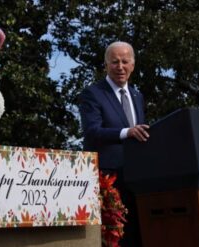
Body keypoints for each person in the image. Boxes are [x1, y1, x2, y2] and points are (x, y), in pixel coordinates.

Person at [78, 41, 149, 247]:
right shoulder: (92, 94)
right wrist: (128, 132)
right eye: (115, 62)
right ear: (106, 65)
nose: (120, 67)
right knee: (114, 238)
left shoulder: (137, 95)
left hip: (136, 177)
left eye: (125, 61)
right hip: (108, 178)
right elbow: (92, 131)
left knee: (136, 234)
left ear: (133, 65)